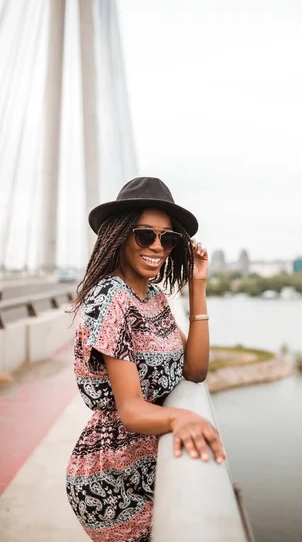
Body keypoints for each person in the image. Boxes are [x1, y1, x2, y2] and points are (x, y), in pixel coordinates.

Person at [65, 176, 225, 542]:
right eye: (145, 235)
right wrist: (180, 415)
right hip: (111, 481)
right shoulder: (110, 299)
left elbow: (195, 370)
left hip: (146, 466)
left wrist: (197, 285)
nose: (158, 246)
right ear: (120, 236)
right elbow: (132, 410)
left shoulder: (154, 296)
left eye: (168, 238)